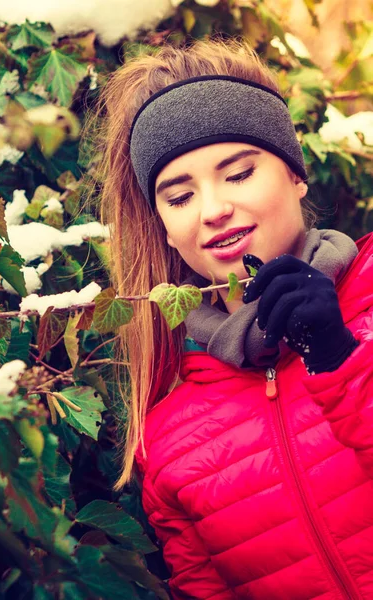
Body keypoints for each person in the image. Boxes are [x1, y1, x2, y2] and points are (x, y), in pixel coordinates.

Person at [91, 37, 373, 599]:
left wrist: (342, 360)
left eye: (238, 173)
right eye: (179, 195)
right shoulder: (168, 441)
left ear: (295, 174)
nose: (214, 209)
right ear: (165, 228)